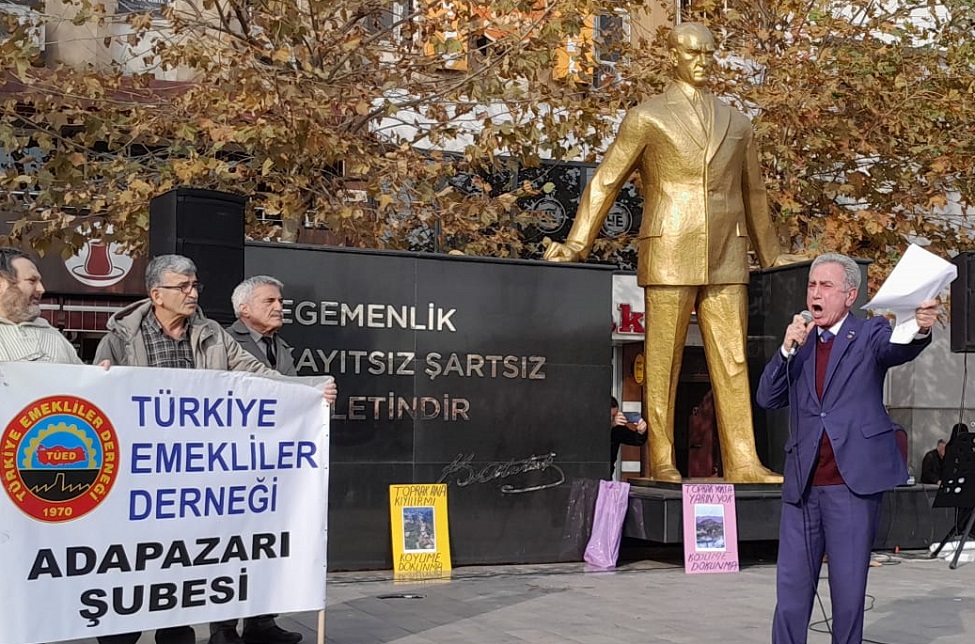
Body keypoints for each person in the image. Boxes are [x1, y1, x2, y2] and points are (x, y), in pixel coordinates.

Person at [544, 22, 799, 483]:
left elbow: (754, 194)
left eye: (708, 53)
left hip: (727, 253)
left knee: (733, 359)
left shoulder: (737, 122)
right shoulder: (648, 117)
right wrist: (578, 243)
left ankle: (743, 460)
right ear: (673, 56)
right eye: (692, 53)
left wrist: (771, 255)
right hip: (669, 248)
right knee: (663, 361)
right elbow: (606, 181)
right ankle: (661, 457)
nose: (702, 62)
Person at [94, 255, 337, 644]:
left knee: (182, 560)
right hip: (144, 474)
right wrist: (98, 381)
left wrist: (309, 391)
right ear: (157, 294)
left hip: (197, 473)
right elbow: (99, 400)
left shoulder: (212, 334)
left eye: (195, 285)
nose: (193, 293)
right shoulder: (120, 338)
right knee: (137, 562)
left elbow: (256, 374)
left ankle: (178, 632)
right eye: (183, 286)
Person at [755, 253, 939, 644]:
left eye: (826, 286)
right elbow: (767, 398)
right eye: (811, 285)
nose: (815, 293)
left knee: (848, 595)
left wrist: (920, 329)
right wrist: (786, 349)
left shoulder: (869, 333)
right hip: (803, 487)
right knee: (790, 596)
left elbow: (898, 348)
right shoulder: (801, 341)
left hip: (850, 486)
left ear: (849, 295)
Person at [210, 275, 302, 644]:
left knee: (265, 543)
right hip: (232, 461)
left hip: (272, 463)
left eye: (280, 300)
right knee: (230, 546)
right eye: (270, 301)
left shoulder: (283, 347)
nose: (279, 307)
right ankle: (223, 627)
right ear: (244, 309)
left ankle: (261, 622)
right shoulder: (223, 340)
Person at [0, 247, 83, 364]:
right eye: (32, 280)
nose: (41, 289)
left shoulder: (54, 336)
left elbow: (79, 373)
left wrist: (98, 372)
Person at [610, 397, 647, 478]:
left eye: (616, 415)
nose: (614, 418)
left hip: (608, 472)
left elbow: (636, 440)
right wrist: (611, 425)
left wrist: (641, 432)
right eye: (611, 416)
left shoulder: (618, 429)